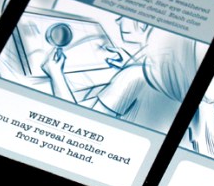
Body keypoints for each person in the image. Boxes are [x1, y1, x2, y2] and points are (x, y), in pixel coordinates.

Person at [41, 23, 202, 133]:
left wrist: (56, 74)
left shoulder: (135, 76)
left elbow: (77, 126)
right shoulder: (185, 84)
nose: (118, 21)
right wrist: (132, 66)